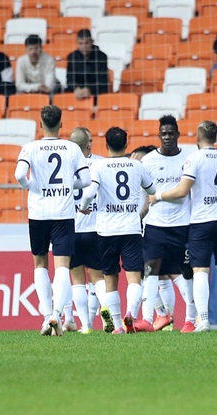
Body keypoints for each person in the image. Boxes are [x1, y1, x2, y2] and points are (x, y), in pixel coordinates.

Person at [151, 121, 217, 333]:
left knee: (200, 270)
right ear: (215, 137)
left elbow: (182, 191)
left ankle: (202, 320)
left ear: (197, 137)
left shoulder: (194, 158)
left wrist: (158, 195)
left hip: (201, 221)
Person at [14, 105, 91, 336]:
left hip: (38, 213)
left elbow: (19, 175)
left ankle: (47, 317)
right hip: (63, 214)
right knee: (62, 267)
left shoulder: (30, 148)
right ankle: (58, 314)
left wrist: (30, 187)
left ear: (41, 124)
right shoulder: (71, 148)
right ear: (61, 124)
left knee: (39, 264)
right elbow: (86, 181)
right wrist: (69, 185)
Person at [79, 127, 156, 334]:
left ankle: (117, 325)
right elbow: (152, 190)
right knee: (134, 278)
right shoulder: (136, 166)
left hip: (106, 230)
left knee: (110, 279)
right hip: (131, 228)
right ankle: (130, 312)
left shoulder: (99, 166)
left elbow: (90, 191)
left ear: (106, 145)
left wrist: (84, 205)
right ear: (126, 144)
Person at [136, 115, 196, 334]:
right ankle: (146, 319)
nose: (168, 137)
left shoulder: (189, 159)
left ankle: (190, 320)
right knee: (150, 270)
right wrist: (139, 218)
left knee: (185, 274)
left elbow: (186, 193)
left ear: (178, 134)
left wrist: (159, 196)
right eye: (164, 134)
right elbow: (144, 196)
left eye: (171, 133)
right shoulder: (149, 161)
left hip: (182, 225)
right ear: (159, 136)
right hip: (155, 226)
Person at [64, 127, 107, 334]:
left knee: (78, 280)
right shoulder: (101, 163)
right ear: (88, 143)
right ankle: (106, 308)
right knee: (98, 278)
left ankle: (86, 326)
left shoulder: (65, 164)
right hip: (96, 229)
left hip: (71, 229)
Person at [65, 29, 108, 100]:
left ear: (92, 42)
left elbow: (102, 81)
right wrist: (76, 89)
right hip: (77, 91)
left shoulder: (101, 56)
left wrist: (89, 89)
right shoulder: (72, 57)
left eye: (86, 43)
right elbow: (70, 79)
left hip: (96, 91)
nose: (84, 46)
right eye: (80, 43)